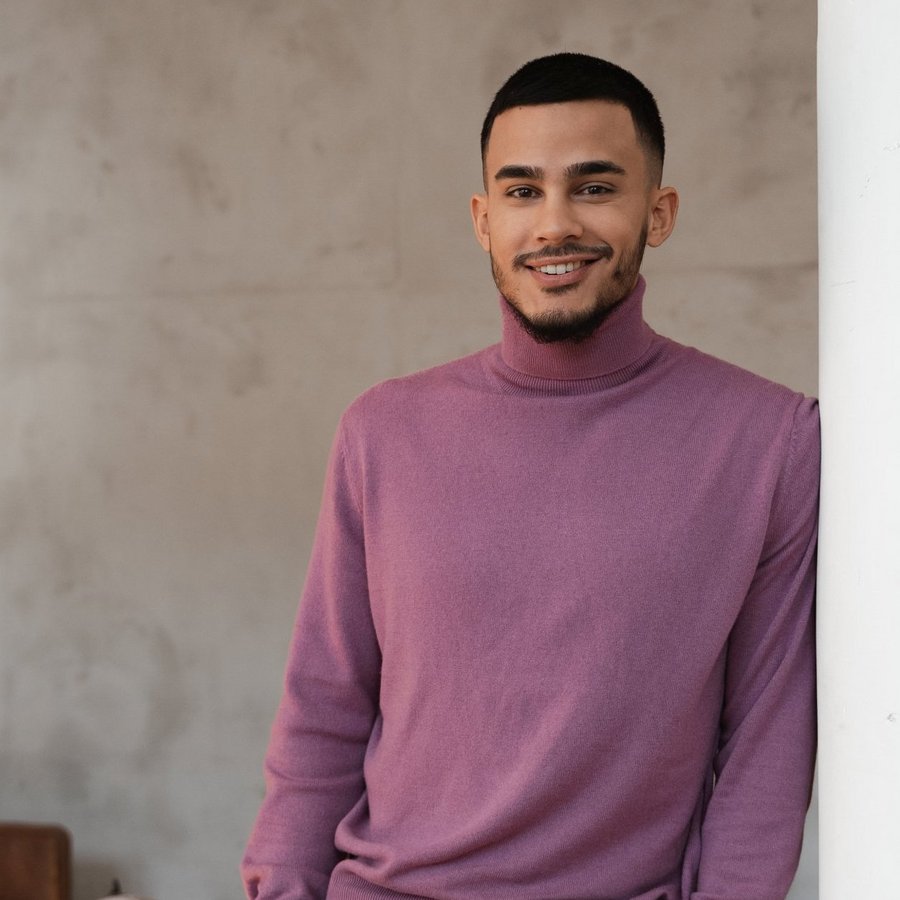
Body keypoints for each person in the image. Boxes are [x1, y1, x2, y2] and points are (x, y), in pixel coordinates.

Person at [242, 53, 819, 900]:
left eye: (593, 187)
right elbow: (325, 708)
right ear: (482, 220)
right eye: (521, 192)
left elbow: (767, 746)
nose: (554, 224)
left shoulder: (770, 440)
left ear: (657, 213)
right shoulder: (383, 432)